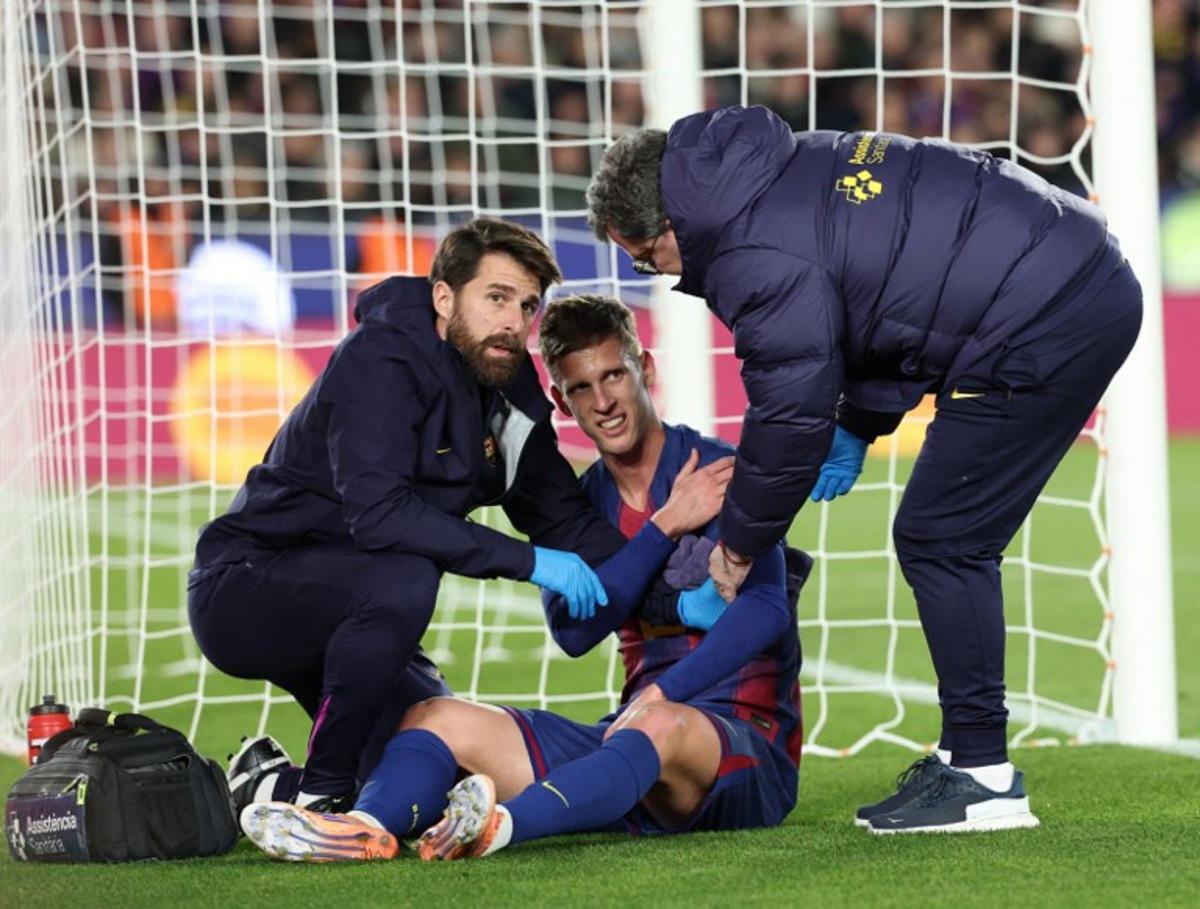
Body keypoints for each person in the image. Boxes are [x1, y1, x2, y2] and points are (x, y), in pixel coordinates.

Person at [585, 105, 1143, 834]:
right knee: (941, 532)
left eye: (640, 256)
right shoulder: (768, 169)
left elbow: (788, 412)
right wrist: (857, 422)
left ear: (663, 229)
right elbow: (890, 297)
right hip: (1065, 266)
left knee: (943, 537)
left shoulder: (747, 251)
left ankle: (983, 777)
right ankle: (966, 758)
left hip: (1046, 308)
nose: (649, 272)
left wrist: (739, 545)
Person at [239, 293, 809, 862]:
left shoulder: (718, 470)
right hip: (631, 745)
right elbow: (573, 633)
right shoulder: (579, 507)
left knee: (658, 725)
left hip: (742, 751)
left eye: (615, 374)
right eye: (581, 388)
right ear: (560, 400)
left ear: (647, 370)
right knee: (435, 717)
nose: (604, 401)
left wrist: (659, 694)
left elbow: (766, 611)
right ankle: (362, 828)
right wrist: (662, 530)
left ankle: (499, 827)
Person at [188, 218, 630, 814]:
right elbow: (380, 516)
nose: (513, 321)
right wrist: (529, 563)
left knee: (435, 766)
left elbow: (562, 517)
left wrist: (675, 584)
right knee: (406, 576)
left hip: (359, 610)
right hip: (248, 588)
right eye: (496, 297)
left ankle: (264, 786)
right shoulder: (379, 357)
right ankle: (321, 793)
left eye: (527, 306)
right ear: (444, 298)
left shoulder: (510, 387)